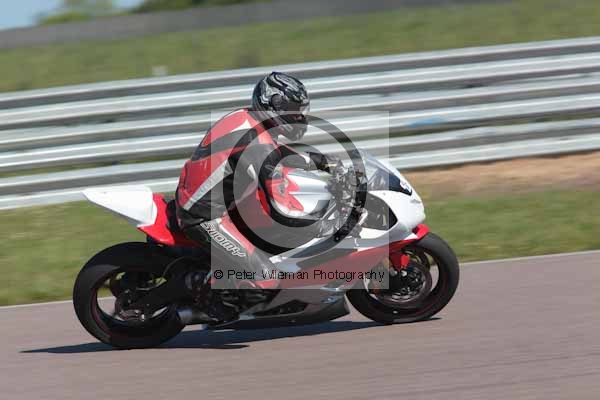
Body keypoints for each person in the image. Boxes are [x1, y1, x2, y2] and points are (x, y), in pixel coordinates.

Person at [175, 72, 339, 291]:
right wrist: (323, 227)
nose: (299, 118)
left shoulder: (247, 118)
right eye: (293, 111)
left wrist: (319, 162)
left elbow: (275, 153)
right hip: (204, 216)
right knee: (267, 278)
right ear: (274, 105)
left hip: (216, 198)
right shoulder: (256, 145)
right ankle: (218, 295)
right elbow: (281, 210)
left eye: (301, 112)